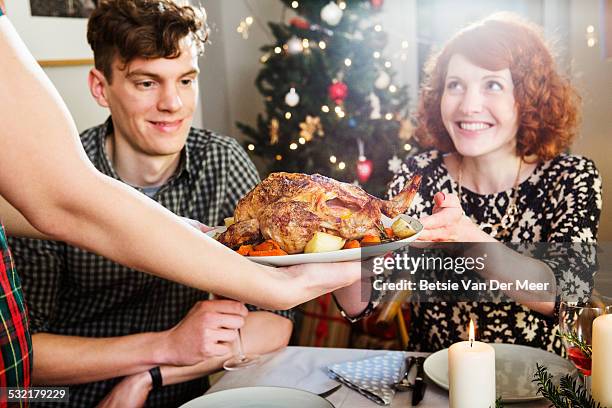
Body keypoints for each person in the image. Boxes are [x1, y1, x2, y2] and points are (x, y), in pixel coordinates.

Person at [0, 0, 360, 393]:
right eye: (147, 83)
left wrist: (149, 377)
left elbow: (274, 321)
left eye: (186, 80)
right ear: (100, 88)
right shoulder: (51, 178)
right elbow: (22, 354)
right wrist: (165, 346)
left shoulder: (221, 161)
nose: (172, 103)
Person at [334, 13, 602, 354]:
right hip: (432, 385)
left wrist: (469, 238)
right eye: (455, 85)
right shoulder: (421, 173)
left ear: (529, 97)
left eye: (492, 84)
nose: (468, 105)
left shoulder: (571, 177)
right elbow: (367, 302)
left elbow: (570, 297)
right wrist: (347, 253)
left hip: (538, 391)